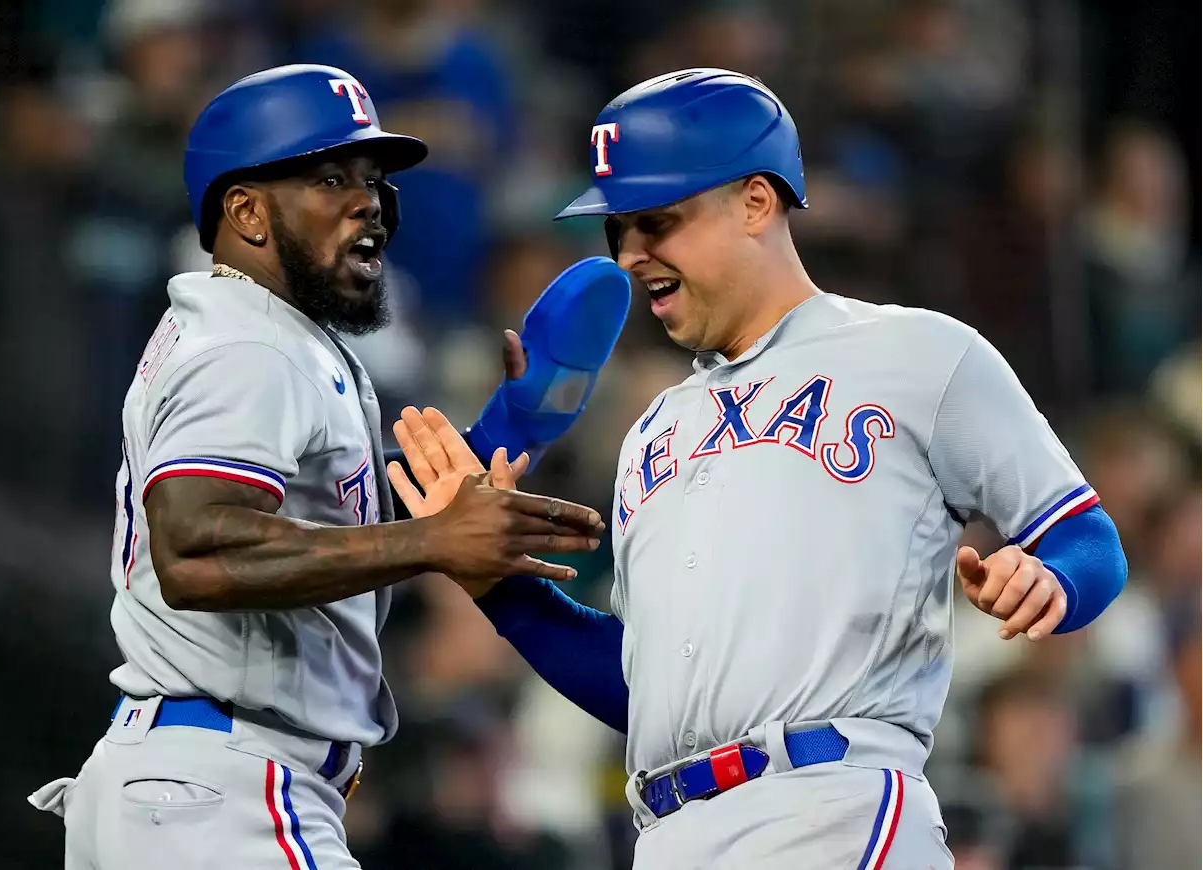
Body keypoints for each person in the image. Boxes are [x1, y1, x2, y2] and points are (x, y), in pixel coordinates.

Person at [388, 68, 1128, 869]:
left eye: (657, 221)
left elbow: (1088, 540)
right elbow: (650, 699)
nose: (631, 254)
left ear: (755, 201)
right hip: (668, 832)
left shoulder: (918, 353)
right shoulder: (652, 431)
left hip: (830, 809)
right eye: (618, 230)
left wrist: (1053, 578)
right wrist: (499, 585)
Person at [25, 63, 615, 869]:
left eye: (373, 180)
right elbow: (195, 552)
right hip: (224, 789)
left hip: (193, 786)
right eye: (330, 177)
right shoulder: (248, 347)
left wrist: (503, 433)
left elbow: (331, 520)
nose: (368, 201)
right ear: (247, 212)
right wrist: (435, 543)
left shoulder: (272, 338)